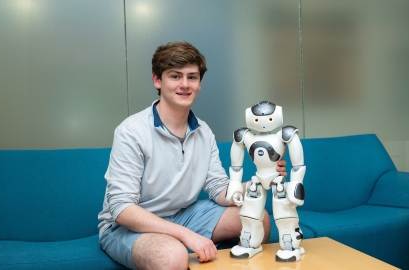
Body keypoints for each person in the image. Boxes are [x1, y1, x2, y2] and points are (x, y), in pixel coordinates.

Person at [98, 41, 288, 270]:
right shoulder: (131, 131)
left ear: (199, 83)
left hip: (183, 214)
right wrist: (186, 235)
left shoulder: (204, 132)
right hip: (128, 227)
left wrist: (260, 180)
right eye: (175, 76)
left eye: (192, 77)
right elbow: (121, 209)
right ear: (157, 80)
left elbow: (219, 190)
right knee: (172, 256)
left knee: (258, 219)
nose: (185, 85)